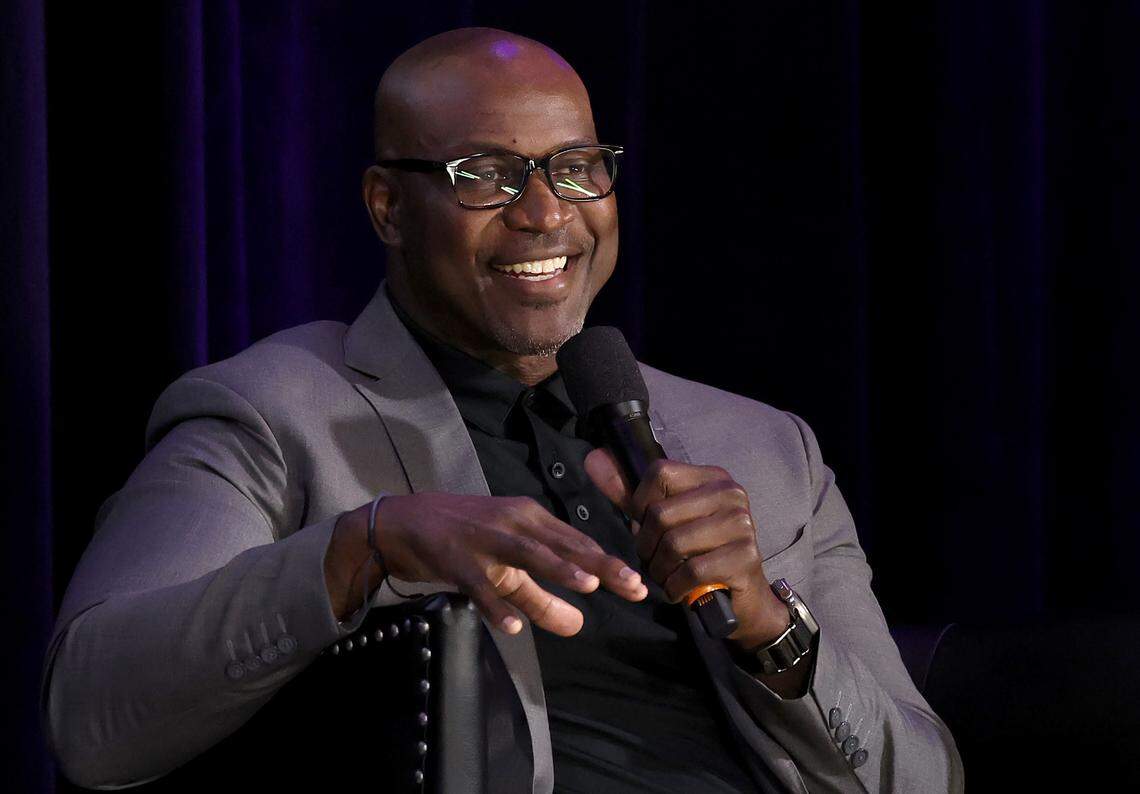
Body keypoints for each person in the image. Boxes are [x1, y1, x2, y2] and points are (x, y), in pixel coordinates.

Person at [41, 27, 963, 793]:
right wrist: (365, 545)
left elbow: (922, 779)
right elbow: (93, 714)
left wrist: (770, 623)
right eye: (484, 174)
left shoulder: (766, 450)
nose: (543, 213)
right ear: (387, 207)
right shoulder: (274, 414)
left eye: (576, 168)